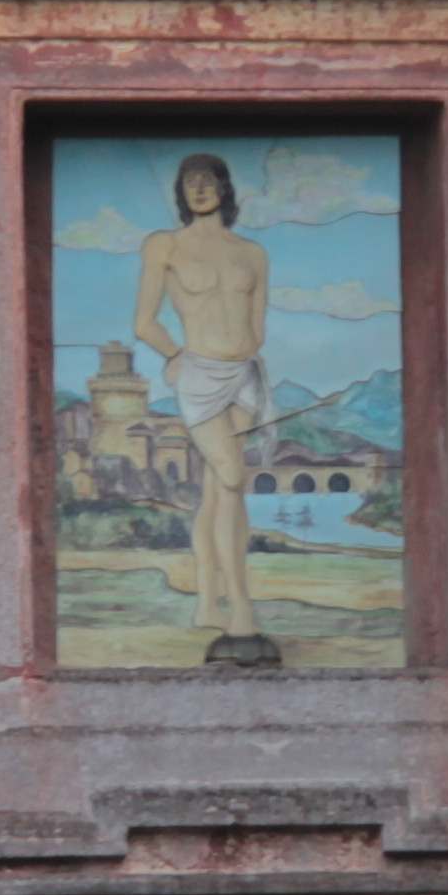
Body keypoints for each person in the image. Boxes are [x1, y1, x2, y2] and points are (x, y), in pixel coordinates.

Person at [134, 152, 271, 643]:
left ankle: (207, 606)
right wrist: (174, 355)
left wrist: (242, 357)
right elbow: (144, 323)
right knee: (233, 476)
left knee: (219, 488)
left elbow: (257, 329)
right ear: (180, 192)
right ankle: (241, 611)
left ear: (224, 188)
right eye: (189, 181)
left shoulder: (251, 254)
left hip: (242, 376)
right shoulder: (165, 245)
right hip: (198, 375)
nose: (198, 188)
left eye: (208, 180)